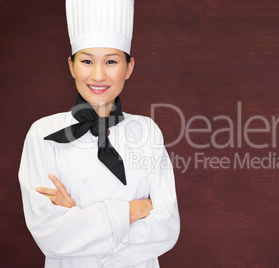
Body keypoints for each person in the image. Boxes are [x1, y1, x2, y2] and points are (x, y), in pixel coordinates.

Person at [18, 0, 180, 267]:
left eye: (111, 61)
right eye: (86, 61)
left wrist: (78, 223)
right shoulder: (42, 133)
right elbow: (50, 236)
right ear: (71, 66)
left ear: (128, 68)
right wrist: (131, 211)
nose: (98, 75)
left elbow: (166, 228)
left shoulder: (147, 131)